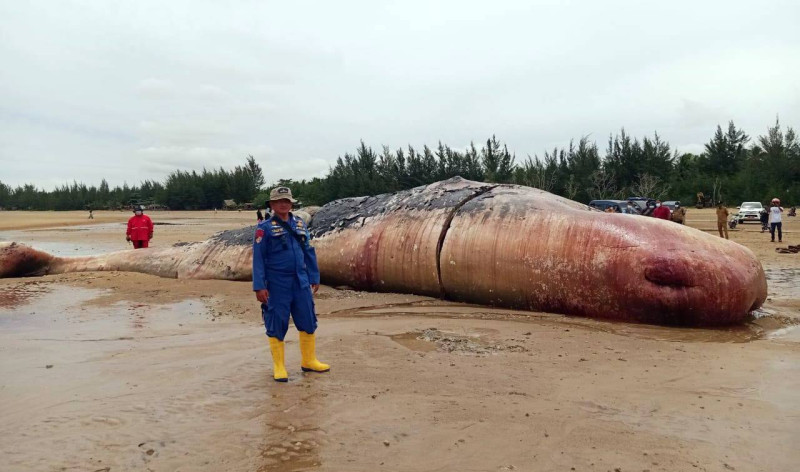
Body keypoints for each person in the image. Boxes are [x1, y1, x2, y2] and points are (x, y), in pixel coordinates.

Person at [253, 186, 328, 382]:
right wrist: (259, 286)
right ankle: (279, 366)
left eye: (286, 201)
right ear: (271, 204)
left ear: (291, 203)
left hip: (300, 280)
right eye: (278, 201)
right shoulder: (264, 229)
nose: (283, 204)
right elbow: (258, 259)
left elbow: (308, 251)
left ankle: (309, 361)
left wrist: (314, 275)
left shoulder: (300, 224)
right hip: (277, 282)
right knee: (277, 321)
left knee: (308, 319)